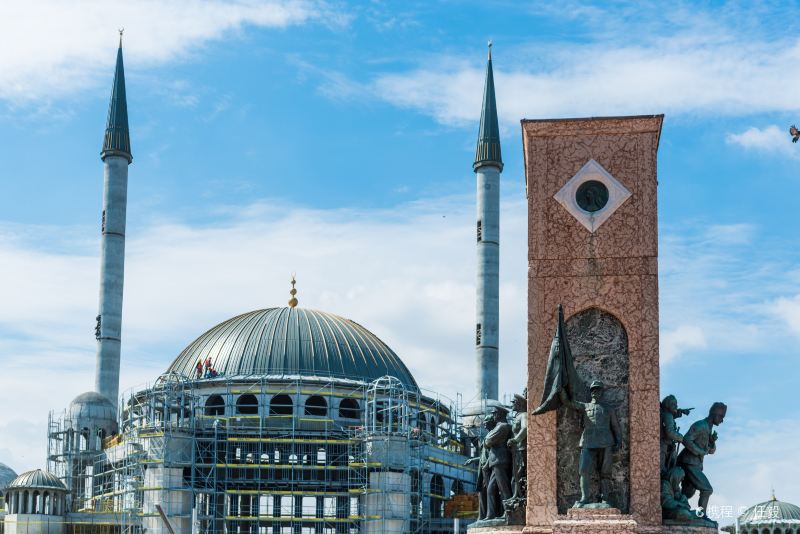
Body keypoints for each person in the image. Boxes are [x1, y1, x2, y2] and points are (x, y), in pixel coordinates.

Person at [560, 380, 621, 507]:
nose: (595, 392)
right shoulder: (585, 406)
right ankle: (585, 498)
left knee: (605, 472)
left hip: (606, 441)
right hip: (588, 440)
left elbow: (615, 426)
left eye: (598, 389)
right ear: (591, 392)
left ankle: (605, 498)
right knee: (584, 469)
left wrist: (618, 440)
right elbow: (569, 402)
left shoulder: (609, 409)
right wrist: (560, 389)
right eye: (593, 390)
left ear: (602, 392)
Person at [677, 402, 727, 518]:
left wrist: (712, 441)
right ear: (715, 414)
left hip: (696, 464)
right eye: (721, 417)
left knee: (687, 493)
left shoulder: (709, 429)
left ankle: (679, 512)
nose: (722, 420)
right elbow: (686, 440)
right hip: (689, 462)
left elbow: (711, 451)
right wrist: (699, 451)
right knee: (707, 489)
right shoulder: (701, 425)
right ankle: (701, 515)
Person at [660, 395, 693, 476]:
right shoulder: (668, 415)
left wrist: (681, 411)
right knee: (663, 471)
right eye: (674, 404)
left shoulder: (665, 413)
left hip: (666, 446)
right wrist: (682, 438)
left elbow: (673, 413)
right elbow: (670, 432)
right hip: (664, 447)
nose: (676, 406)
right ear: (668, 405)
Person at [505, 391, 527, 508]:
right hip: (517, 449)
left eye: (513, 402)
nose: (512, 404)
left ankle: (518, 495)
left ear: (519, 404)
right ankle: (515, 495)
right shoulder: (518, 416)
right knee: (516, 474)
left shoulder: (524, 415)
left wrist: (516, 440)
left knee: (519, 473)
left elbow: (525, 428)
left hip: (522, 448)